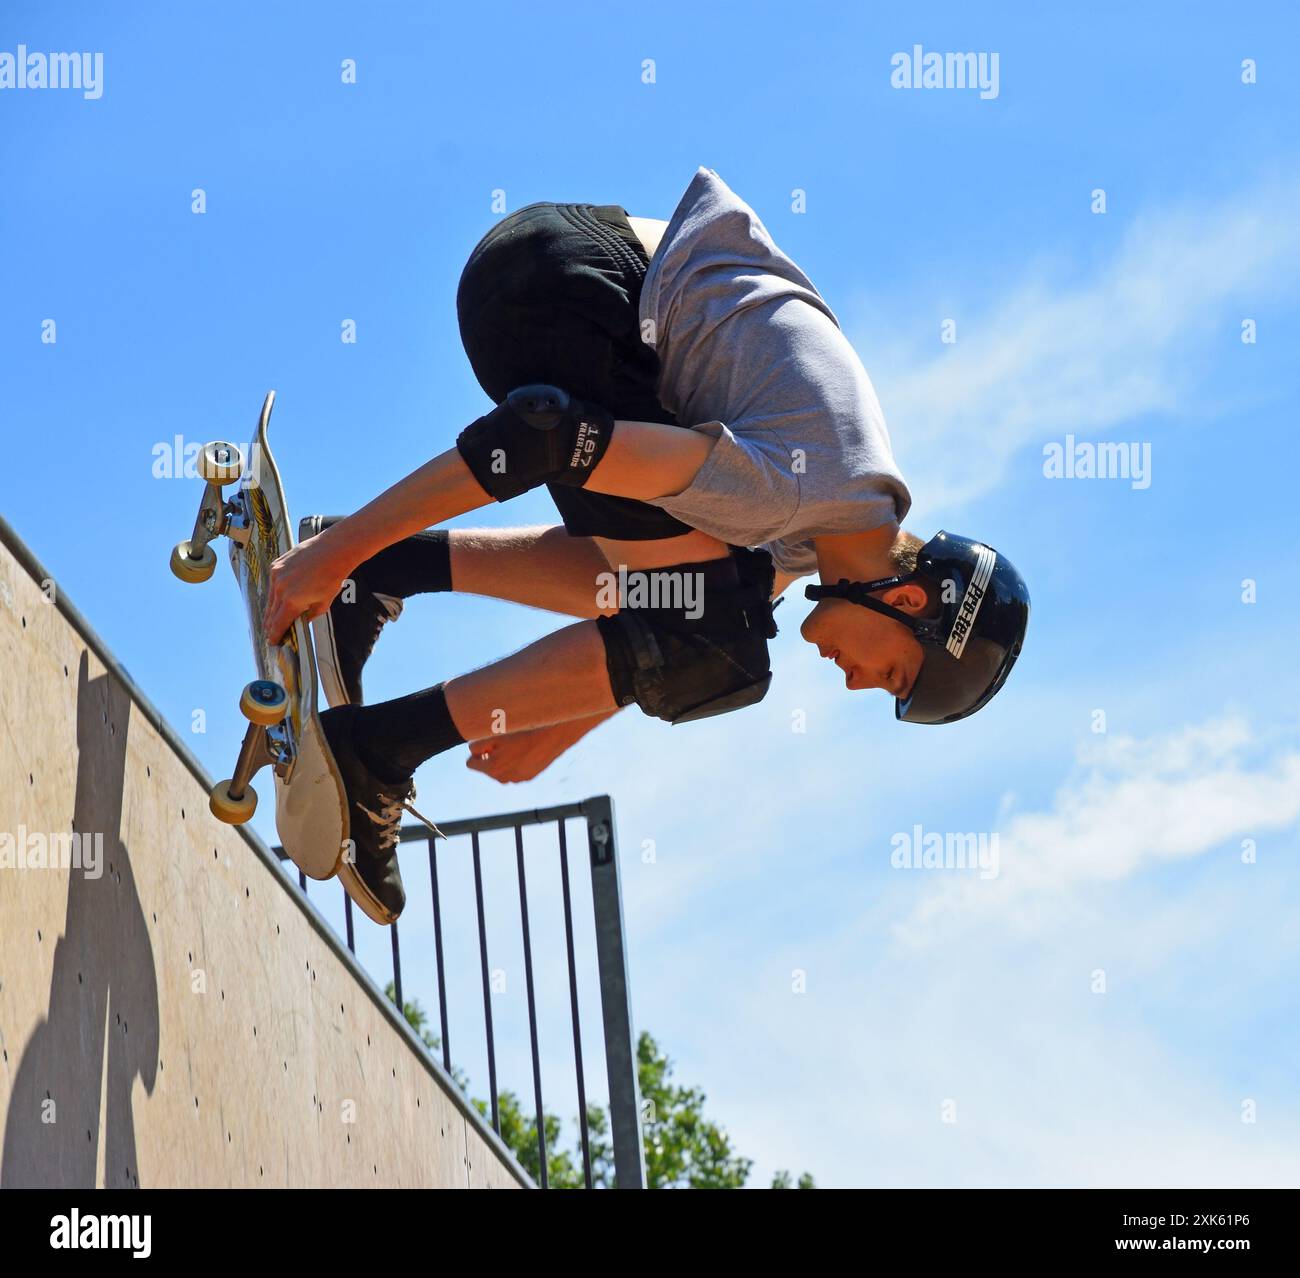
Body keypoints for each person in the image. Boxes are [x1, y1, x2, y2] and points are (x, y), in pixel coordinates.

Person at [264, 169, 1029, 925]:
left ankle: (387, 574)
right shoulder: (790, 492)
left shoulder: (837, 515)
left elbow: (647, 610)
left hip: (564, 272)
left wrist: (555, 720)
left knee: (693, 599)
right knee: (719, 651)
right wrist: (330, 558)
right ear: (906, 598)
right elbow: (541, 438)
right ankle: (376, 748)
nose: (858, 684)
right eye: (891, 672)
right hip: (559, 291)